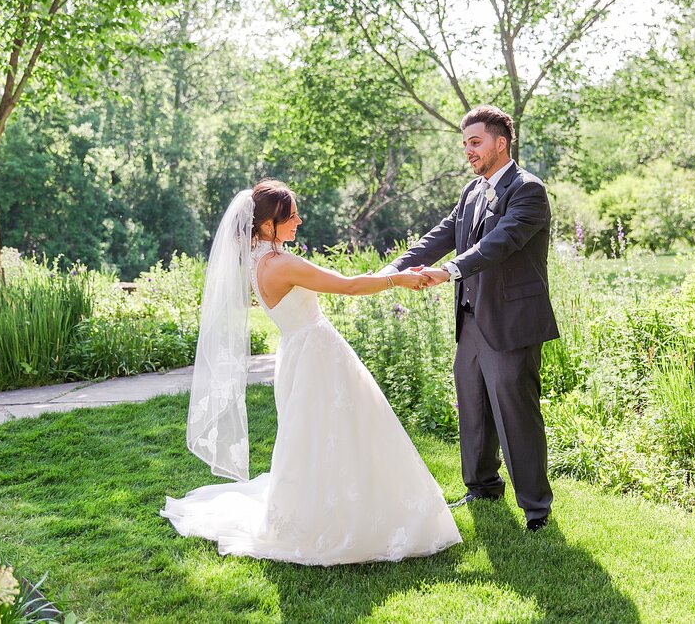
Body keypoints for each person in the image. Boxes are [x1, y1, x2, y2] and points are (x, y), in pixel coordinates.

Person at [161, 179, 461, 565]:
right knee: (339, 430)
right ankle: (340, 518)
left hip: (298, 352)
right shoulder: (282, 264)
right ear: (267, 225)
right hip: (318, 356)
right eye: (291, 216)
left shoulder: (257, 263)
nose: (298, 221)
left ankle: (326, 506)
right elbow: (349, 286)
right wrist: (398, 279)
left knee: (317, 434)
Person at [380, 105, 558, 532]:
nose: (468, 151)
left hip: (511, 324)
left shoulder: (528, 190)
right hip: (472, 320)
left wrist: (449, 271)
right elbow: (441, 235)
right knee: (473, 408)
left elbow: (501, 242)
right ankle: (482, 485)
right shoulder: (471, 192)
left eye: (475, 142)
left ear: (501, 143)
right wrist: (391, 270)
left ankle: (536, 508)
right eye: (464, 144)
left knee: (516, 415)